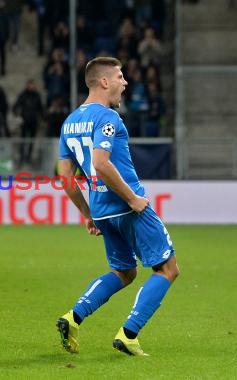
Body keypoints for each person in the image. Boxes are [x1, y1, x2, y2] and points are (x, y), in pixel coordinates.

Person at [56, 57, 179, 356]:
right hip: (128, 208)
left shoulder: (70, 122)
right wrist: (133, 199)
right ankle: (129, 334)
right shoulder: (108, 118)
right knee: (168, 268)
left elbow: (64, 177)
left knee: (124, 271)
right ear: (104, 81)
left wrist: (88, 214)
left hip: (101, 210)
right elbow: (100, 162)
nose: (125, 83)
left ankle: (73, 317)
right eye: (121, 77)